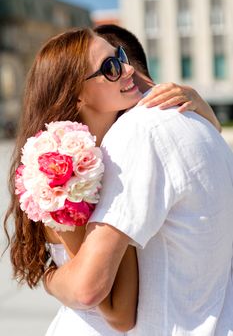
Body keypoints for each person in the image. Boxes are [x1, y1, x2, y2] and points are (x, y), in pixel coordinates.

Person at [4, 27, 223, 336]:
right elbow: (117, 311)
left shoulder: (103, 155)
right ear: (76, 92)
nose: (129, 70)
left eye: (120, 57)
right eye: (111, 67)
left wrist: (199, 104)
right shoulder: (64, 172)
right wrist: (50, 280)